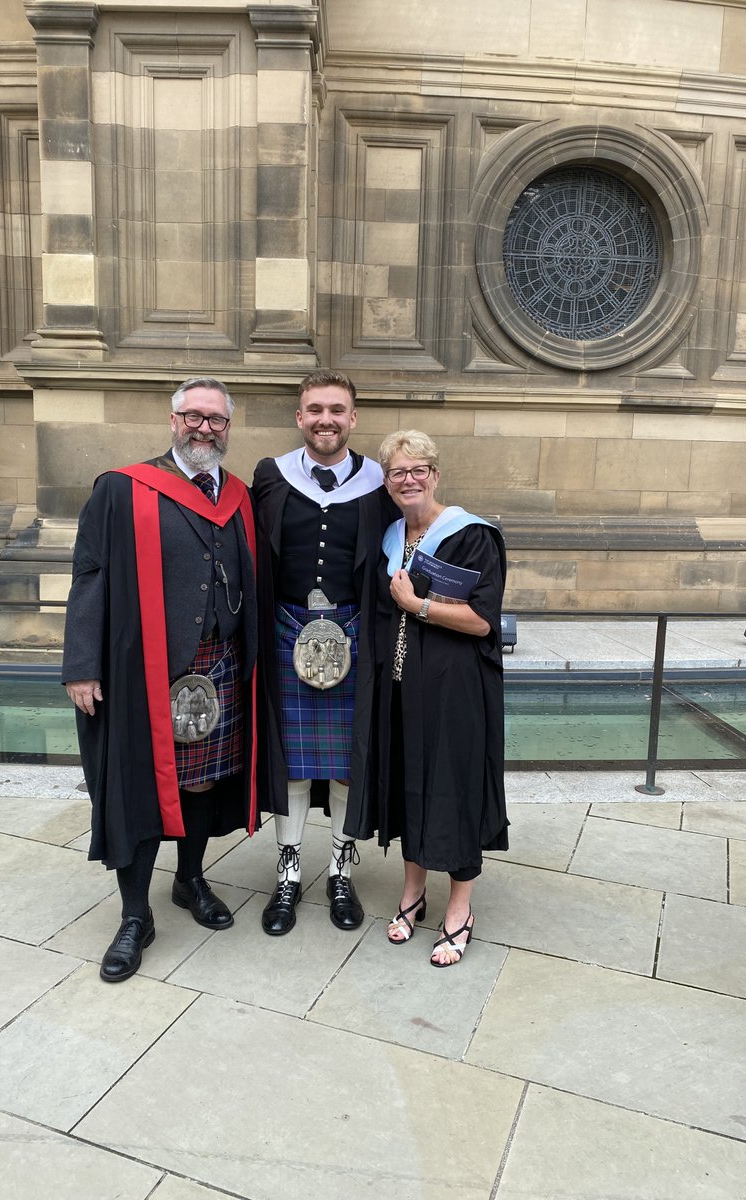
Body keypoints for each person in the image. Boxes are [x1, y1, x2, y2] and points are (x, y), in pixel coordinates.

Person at [62, 378, 258, 982]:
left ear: (228, 427)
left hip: (221, 662)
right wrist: (82, 665)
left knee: (202, 783)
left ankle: (190, 879)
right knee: (139, 786)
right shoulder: (122, 489)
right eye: (193, 416)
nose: (205, 428)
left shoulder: (241, 497)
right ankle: (134, 916)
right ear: (173, 420)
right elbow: (90, 574)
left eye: (216, 419)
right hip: (142, 668)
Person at [253, 369, 396, 935]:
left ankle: (340, 870)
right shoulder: (272, 475)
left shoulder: (380, 483)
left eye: (336, 410)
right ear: (300, 417)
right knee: (291, 762)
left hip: (354, 632)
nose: (325, 420)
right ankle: (288, 873)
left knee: (345, 765)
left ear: (353, 418)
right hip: (287, 629)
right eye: (315, 409)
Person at [375, 429, 508, 967]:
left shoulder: (472, 536)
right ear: (387, 481)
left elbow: (482, 621)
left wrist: (417, 605)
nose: (408, 479)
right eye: (397, 472)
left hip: (456, 693)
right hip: (402, 690)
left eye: (418, 470)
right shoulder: (391, 537)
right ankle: (413, 892)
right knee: (410, 788)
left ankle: (459, 909)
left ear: (435, 475)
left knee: (454, 791)